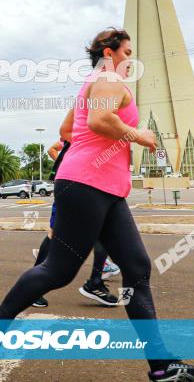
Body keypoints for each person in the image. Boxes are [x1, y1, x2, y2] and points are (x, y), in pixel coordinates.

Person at [0, 28, 194, 382]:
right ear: (109, 52)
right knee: (59, 270)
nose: (131, 59)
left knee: (136, 267)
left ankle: (161, 364)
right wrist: (139, 136)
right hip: (87, 184)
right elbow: (100, 121)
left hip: (105, 188)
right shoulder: (108, 78)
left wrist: (101, 144)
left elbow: (70, 130)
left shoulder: (95, 83)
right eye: (127, 51)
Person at [31, 130, 120, 309]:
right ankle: (34, 287)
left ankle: (95, 281)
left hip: (91, 183)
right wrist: (66, 164)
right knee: (54, 232)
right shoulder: (77, 127)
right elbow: (56, 144)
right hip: (72, 183)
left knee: (102, 230)